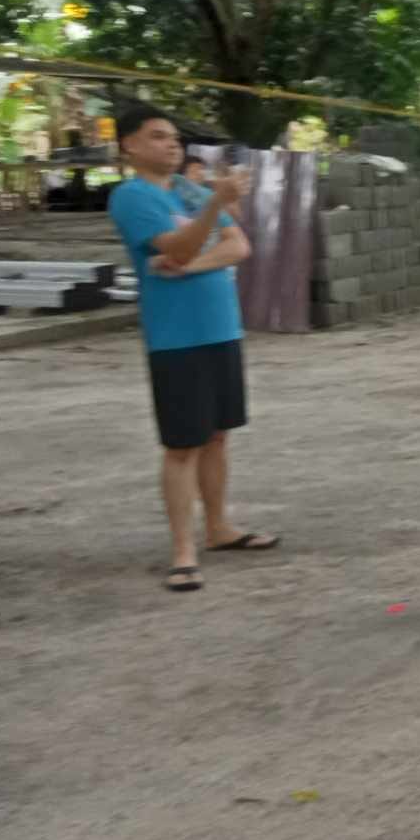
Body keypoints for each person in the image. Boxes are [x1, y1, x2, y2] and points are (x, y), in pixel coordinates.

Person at [106, 107, 274, 594]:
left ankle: (219, 528)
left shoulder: (188, 191)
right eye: (158, 137)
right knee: (182, 445)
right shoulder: (132, 197)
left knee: (218, 436)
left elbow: (238, 246)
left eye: (175, 138)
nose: (172, 145)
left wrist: (192, 264)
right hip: (175, 337)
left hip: (220, 327)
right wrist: (212, 209)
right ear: (129, 146)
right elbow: (177, 246)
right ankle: (183, 551)